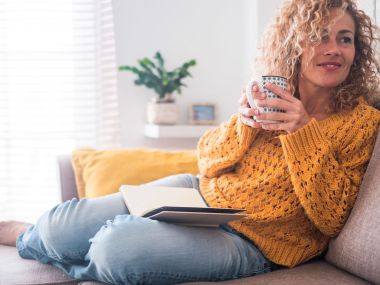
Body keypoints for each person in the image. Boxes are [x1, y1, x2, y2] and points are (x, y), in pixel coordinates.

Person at [1, 0, 380, 284]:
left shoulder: (363, 122)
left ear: (355, 52)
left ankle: (86, 254)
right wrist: (243, 123)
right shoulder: (272, 95)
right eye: (319, 37)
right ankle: (31, 235)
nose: (333, 48)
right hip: (196, 195)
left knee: (116, 247)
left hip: (255, 242)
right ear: (294, 46)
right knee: (58, 225)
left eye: (344, 39)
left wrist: (301, 133)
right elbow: (208, 161)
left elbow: (332, 218)